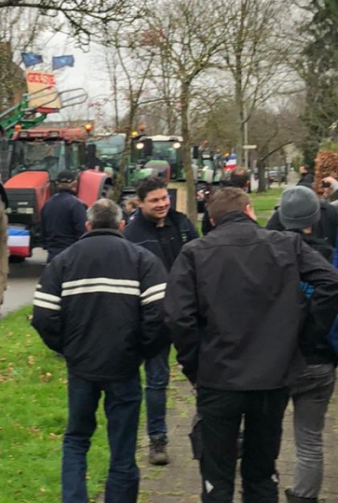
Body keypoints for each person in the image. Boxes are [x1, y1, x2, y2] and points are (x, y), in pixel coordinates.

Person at [165, 187, 338, 503]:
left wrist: (194, 365)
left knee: (216, 478)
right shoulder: (287, 244)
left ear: (213, 221)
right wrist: (304, 335)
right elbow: (330, 283)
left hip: (218, 377)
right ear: (249, 211)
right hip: (271, 378)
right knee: (261, 473)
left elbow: (179, 317)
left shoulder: (195, 252)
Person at [33, 199, 168, 503]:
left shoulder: (63, 262)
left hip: (81, 367)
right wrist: (142, 352)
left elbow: (43, 316)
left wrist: (68, 348)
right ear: (121, 225)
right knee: (122, 448)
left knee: (77, 439)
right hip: (125, 367)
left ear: (88, 226)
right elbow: (160, 318)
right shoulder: (143, 261)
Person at [123, 177, 198, 466]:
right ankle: (157, 439)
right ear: (140, 203)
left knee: (206, 373)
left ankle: (215, 431)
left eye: (164, 198)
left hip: (189, 312)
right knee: (156, 381)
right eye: (154, 200)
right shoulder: (132, 234)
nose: (162, 204)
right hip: (154, 319)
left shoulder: (183, 225)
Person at [272, 186, 338, 503]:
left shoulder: (269, 254)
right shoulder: (329, 255)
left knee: (267, 431)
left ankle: (262, 484)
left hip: (277, 359)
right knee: (310, 439)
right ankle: (304, 496)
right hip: (319, 359)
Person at [41, 170, 88, 263]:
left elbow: (43, 229)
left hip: (52, 254)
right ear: (74, 183)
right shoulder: (77, 205)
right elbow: (82, 230)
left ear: (57, 183)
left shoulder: (47, 204)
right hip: (71, 254)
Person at [202, 170, 248, 236]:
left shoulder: (217, 196)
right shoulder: (242, 201)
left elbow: (206, 224)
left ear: (230, 179)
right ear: (246, 184)